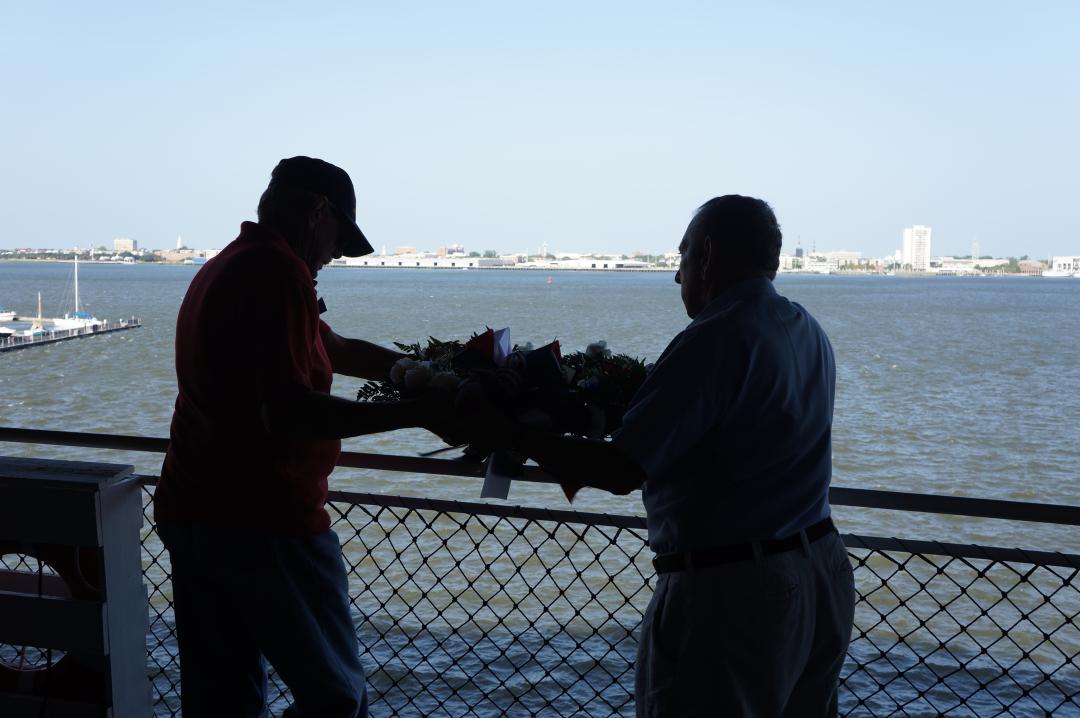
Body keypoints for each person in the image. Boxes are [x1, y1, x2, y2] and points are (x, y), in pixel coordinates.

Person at [505, 195, 855, 716]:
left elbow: (622, 468)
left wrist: (507, 433)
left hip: (734, 593)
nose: (677, 275)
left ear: (708, 255)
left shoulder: (715, 336)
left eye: (683, 254)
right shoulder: (807, 329)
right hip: (821, 572)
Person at [154, 156, 451, 717]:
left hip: (193, 508)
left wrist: (420, 373)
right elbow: (290, 412)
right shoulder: (277, 272)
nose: (337, 254)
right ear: (319, 212)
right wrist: (419, 411)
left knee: (224, 699)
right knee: (336, 697)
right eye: (340, 236)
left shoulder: (235, 263)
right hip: (265, 520)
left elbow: (330, 346)